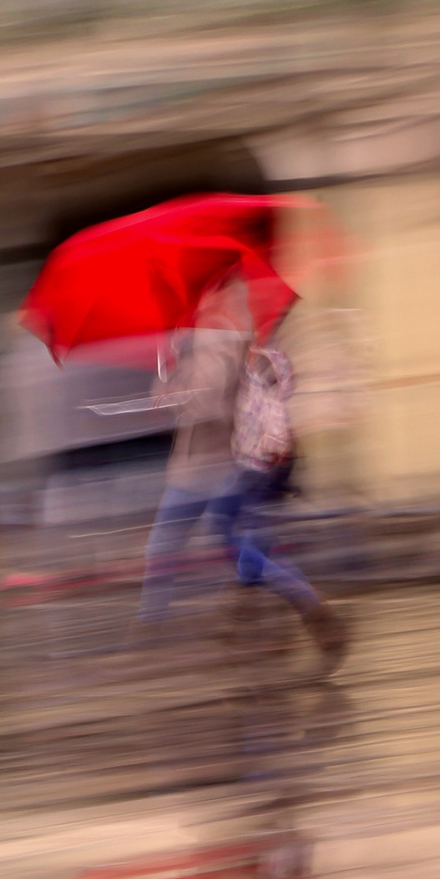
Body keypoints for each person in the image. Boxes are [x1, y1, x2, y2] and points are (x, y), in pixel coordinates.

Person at [134, 283, 347, 669]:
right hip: (203, 466)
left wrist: (175, 393)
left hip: (209, 469)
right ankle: (292, 608)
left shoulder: (219, 335)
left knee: (190, 548)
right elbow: (185, 390)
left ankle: (149, 634)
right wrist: (168, 379)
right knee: (223, 548)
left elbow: (210, 401)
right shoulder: (198, 334)